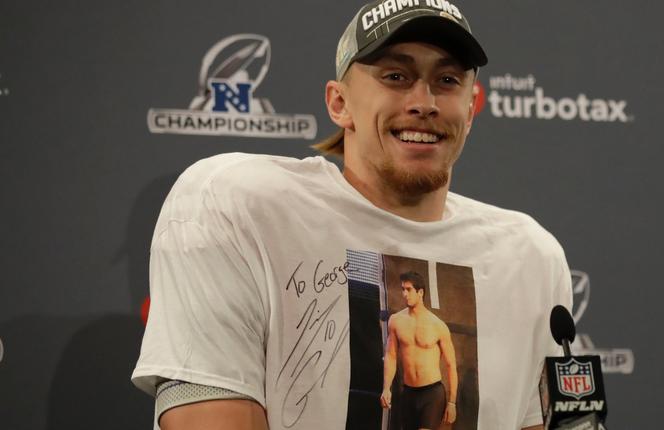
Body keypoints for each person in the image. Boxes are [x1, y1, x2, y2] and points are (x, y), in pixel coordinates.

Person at [132, 1, 572, 429]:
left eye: (448, 79)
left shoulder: (530, 257)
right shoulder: (237, 205)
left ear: (471, 109)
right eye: (396, 76)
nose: (425, 101)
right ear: (339, 103)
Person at [380, 272, 457, 430]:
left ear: (420, 292)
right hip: (408, 392)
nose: (404, 294)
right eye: (403, 289)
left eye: (408, 289)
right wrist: (386, 388)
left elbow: (451, 366)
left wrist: (452, 402)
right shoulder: (396, 321)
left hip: (432, 393)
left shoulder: (438, 325)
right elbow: (391, 356)